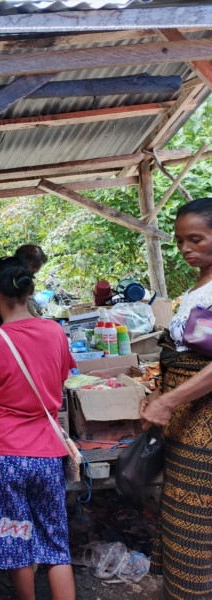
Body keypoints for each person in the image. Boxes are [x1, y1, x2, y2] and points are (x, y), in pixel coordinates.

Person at [0, 256, 76, 600]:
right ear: (30, 291)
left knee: (16, 539)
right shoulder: (55, 332)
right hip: (47, 451)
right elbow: (59, 382)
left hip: (3, 454)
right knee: (55, 542)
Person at [140, 198, 212, 600]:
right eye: (181, 240)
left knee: (198, 518)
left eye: (196, 239)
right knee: (182, 511)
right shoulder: (199, 286)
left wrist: (168, 402)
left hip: (205, 425)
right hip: (188, 423)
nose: (186, 248)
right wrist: (158, 393)